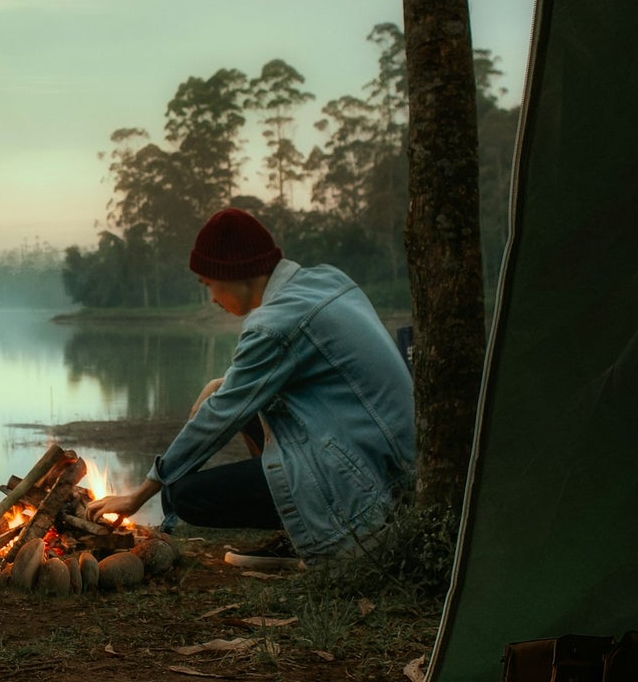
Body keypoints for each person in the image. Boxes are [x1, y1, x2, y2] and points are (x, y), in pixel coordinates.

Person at [90, 207, 415, 558]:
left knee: (181, 495)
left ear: (234, 274)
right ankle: (298, 528)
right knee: (240, 404)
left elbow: (219, 418)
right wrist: (221, 383)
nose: (212, 298)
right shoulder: (326, 281)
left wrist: (142, 492)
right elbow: (266, 376)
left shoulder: (273, 324)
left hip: (364, 485)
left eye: (209, 284)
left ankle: (319, 533)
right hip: (393, 464)